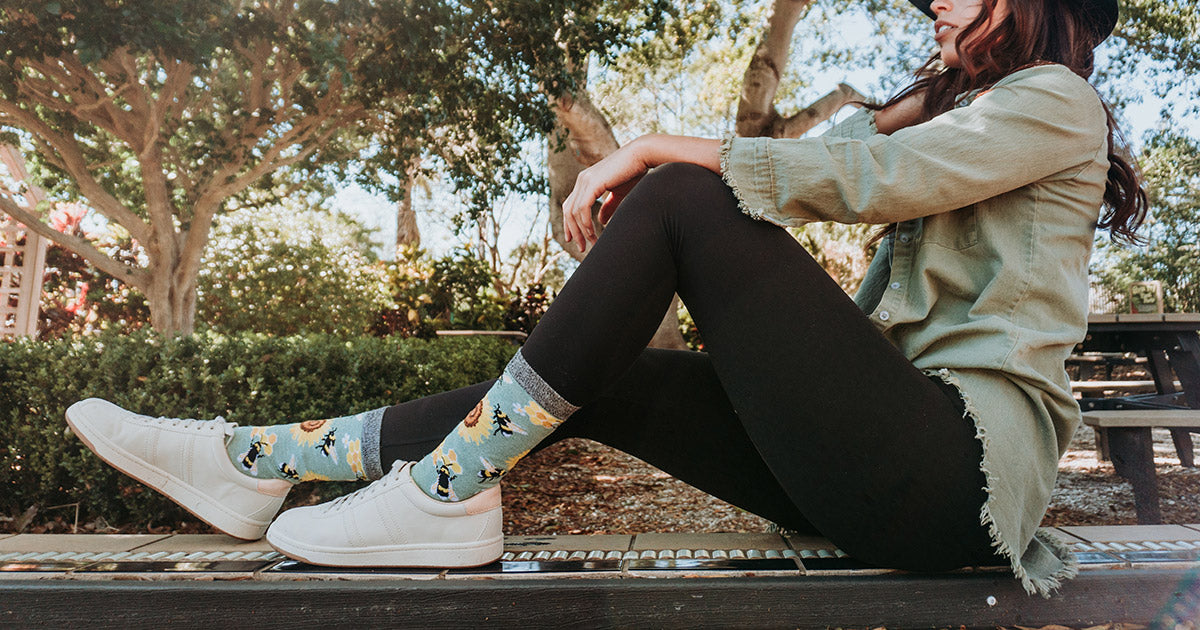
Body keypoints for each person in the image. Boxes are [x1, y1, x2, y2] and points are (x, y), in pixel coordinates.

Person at [65, 0, 1145, 597]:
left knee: (683, 194)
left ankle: (444, 493)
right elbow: (843, 155)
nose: (936, 1)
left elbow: (867, 184)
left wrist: (654, 153)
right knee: (610, 378)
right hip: (879, 468)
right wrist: (681, 171)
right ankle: (262, 461)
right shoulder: (946, 112)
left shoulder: (1056, 101)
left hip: (956, 468)